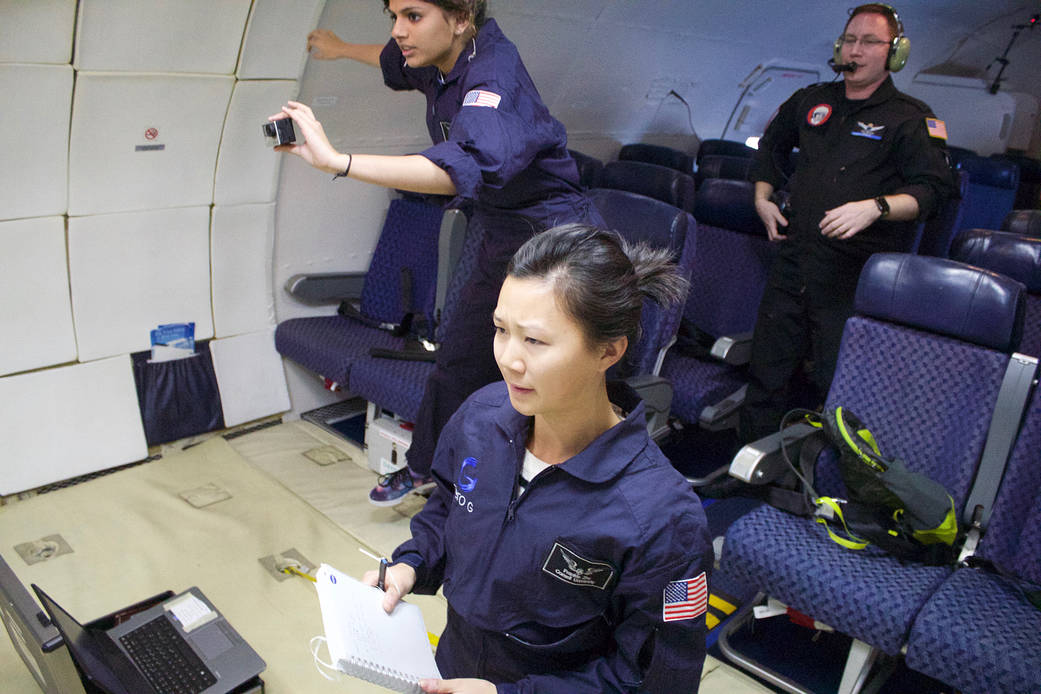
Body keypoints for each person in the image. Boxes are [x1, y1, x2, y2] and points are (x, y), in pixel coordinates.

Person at [275, 0, 603, 505]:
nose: (399, 32)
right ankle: (430, 467)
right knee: (460, 357)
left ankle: (557, 491)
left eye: (412, 16)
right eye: (393, 17)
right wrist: (340, 50)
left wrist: (339, 162)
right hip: (501, 232)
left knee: (547, 370)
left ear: (462, 16)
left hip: (556, 240)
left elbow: (461, 168)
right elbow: (392, 59)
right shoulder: (437, 57)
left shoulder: (493, 78)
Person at [360, 224, 711, 694]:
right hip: (453, 671)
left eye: (535, 341)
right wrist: (411, 566)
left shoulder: (661, 519)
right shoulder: (481, 419)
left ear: (609, 350)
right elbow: (446, 510)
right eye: (501, 330)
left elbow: (653, 682)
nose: (508, 359)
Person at [739, 3, 954, 443]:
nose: (856, 50)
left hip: (853, 274)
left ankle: (824, 479)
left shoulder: (912, 118)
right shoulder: (812, 101)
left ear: (894, 54)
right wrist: (763, 196)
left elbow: (935, 193)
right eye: (850, 40)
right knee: (768, 369)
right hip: (794, 259)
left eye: (870, 42)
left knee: (836, 381)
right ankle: (746, 468)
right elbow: (771, 146)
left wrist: (876, 206)